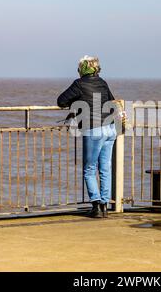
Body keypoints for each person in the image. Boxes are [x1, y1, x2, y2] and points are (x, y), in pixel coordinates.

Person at [57, 55, 117, 218]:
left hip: (94, 129)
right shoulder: (102, 82)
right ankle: (104, 205)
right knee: (105, 168)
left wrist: (75, 103)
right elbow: (111, 100)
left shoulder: (79, 84)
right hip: (110, 128)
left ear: (82, 69)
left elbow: (61, 101)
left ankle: (96, 205)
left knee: (89, 169)